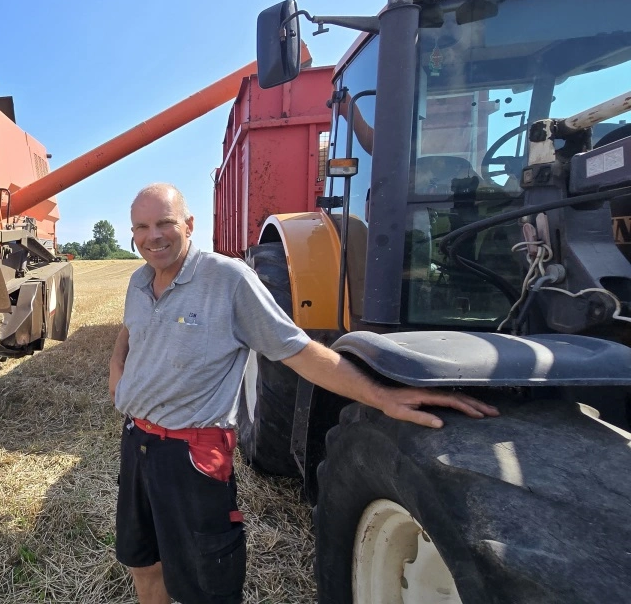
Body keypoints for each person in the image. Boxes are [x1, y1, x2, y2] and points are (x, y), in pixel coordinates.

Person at [108, 183, 499, 604]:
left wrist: (381, 396)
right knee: (144, 563)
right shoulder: (139, 281)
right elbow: (130, 331)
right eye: (142, 227)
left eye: (165, 223)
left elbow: (299, 351)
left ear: (188, 224)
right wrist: (118, 373)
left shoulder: (228, 280)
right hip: (137, 443)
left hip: (192, 456)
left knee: (207, 589)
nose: (154, 236)